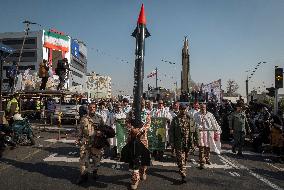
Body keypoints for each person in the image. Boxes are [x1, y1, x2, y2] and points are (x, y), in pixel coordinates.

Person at [76, 102, 105, 184]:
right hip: (85, 142)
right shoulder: (83, 118)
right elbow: (80, 129)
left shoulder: (99, 118)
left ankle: (95, 172)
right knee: (83, 159)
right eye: (90, 107)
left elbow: (104, 130)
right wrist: (78, 139)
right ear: (88, 108)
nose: (92, 109)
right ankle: (83, 175)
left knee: (96, 160)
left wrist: (101, 133)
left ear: (96, 109)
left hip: (96, 142)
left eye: (94, 108)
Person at [126, 100, 151, 190]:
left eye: (142, 104)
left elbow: (148, 124)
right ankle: (134, 180)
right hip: (132, 139)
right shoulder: (130, 113)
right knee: (134, 159)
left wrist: (140, 130)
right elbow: (127, 123)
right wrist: (132, 129)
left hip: (143, 139)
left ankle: (143, 171)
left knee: (144, 159)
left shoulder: (147, 113)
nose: (141, 105)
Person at [170, 104, 198, 183]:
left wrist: (197, 141)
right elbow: (171, 131)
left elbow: (196, 130)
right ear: (180, 109)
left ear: (187, 109)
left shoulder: (190, 119)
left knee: (185, 158)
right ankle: (183, 173)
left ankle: (182, 166)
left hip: (188, 142)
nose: (183, 110)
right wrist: (171, 142)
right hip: (179, 142)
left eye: (184, 109)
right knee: (181, 158)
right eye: (182, 109)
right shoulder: (175, 119)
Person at [195, 103, 222, 169]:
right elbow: (194, 123)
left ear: (206, 108)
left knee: (208, 147)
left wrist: (217, 131)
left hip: (209, 133)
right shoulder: (196, 115)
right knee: (201, 147)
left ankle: (207, 159)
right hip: (201, 132)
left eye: (204, 107)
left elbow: (214, 123)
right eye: (201, 107)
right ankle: (202, 162)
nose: (202, 109)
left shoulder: (210, 115)